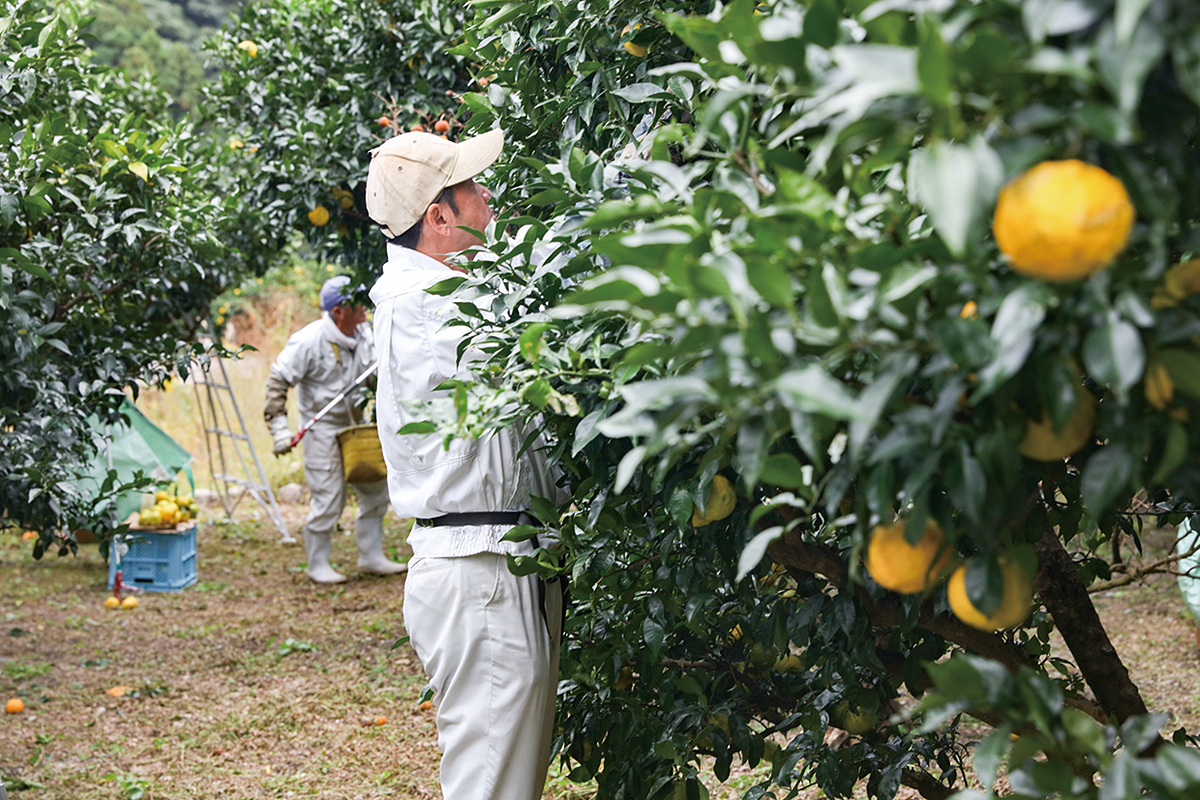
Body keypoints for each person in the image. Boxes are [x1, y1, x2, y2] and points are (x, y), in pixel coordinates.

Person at [366, 129, 565, 800]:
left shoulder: (442, 293)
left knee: (508, 780)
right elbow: (539, 314)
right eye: (472, 188)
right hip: (480, 576)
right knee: (492, 786)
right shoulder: (428, 306)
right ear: (439, 218)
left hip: (499, 562)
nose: (488, 197)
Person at [264, 276, 407, 583]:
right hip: (323, 430)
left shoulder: (367, 334)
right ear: (339, 311)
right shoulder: (308, 340)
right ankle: (318, 564)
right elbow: (277, 383)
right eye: (356, 303)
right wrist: (279, 431)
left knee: (375, 489)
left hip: (358, 426)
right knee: (328, 498)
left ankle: (371, 557)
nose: (364, 307)